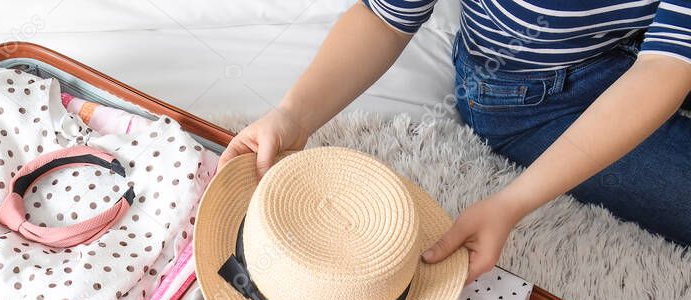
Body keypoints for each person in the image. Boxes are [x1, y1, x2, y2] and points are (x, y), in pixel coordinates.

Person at [220, 1, 691, 279]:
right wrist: (293, 114)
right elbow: (387, 16)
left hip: (639, 52)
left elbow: (670, 61)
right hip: (531, 97)